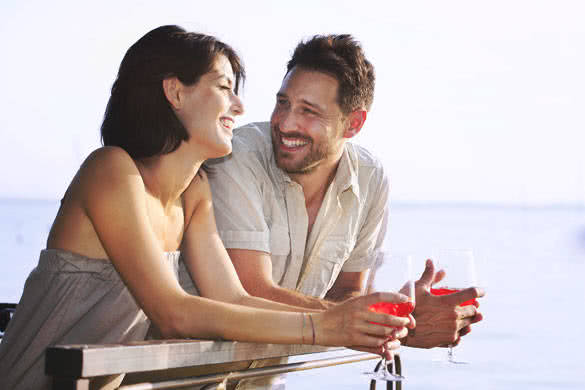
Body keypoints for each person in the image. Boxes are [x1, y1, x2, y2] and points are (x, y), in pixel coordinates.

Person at [0, 26, 414, 390]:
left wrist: (357, 319)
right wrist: (321, 325)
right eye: (224, 88)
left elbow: (234, 298)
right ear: (175, 91)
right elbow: (174, 312)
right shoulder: (110, 170)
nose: (239, 106)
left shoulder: (194, 192)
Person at [185, 34, 484, 363]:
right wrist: (393, 321)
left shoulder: (370, 179)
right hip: (184, 377)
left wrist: (393, 315)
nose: (285, 123)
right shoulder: (237, 157)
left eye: (308, 111)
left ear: (353, 123)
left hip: (264, 381)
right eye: (283, 103)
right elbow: (250, 293)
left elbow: (346, 294)